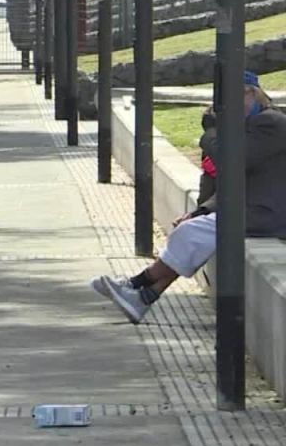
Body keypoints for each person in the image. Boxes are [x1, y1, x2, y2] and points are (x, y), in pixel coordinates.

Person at [92, 72, 286, 323]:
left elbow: (231, 163)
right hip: (255, 209)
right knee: (191, 232)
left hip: (268, 214)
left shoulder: (270, 123)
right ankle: (143, 297)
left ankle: (137, 283)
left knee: (191, 234)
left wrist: (211, 133)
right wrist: (200, 210)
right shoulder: (253, 123)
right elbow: (234, 182)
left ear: (250, 92)